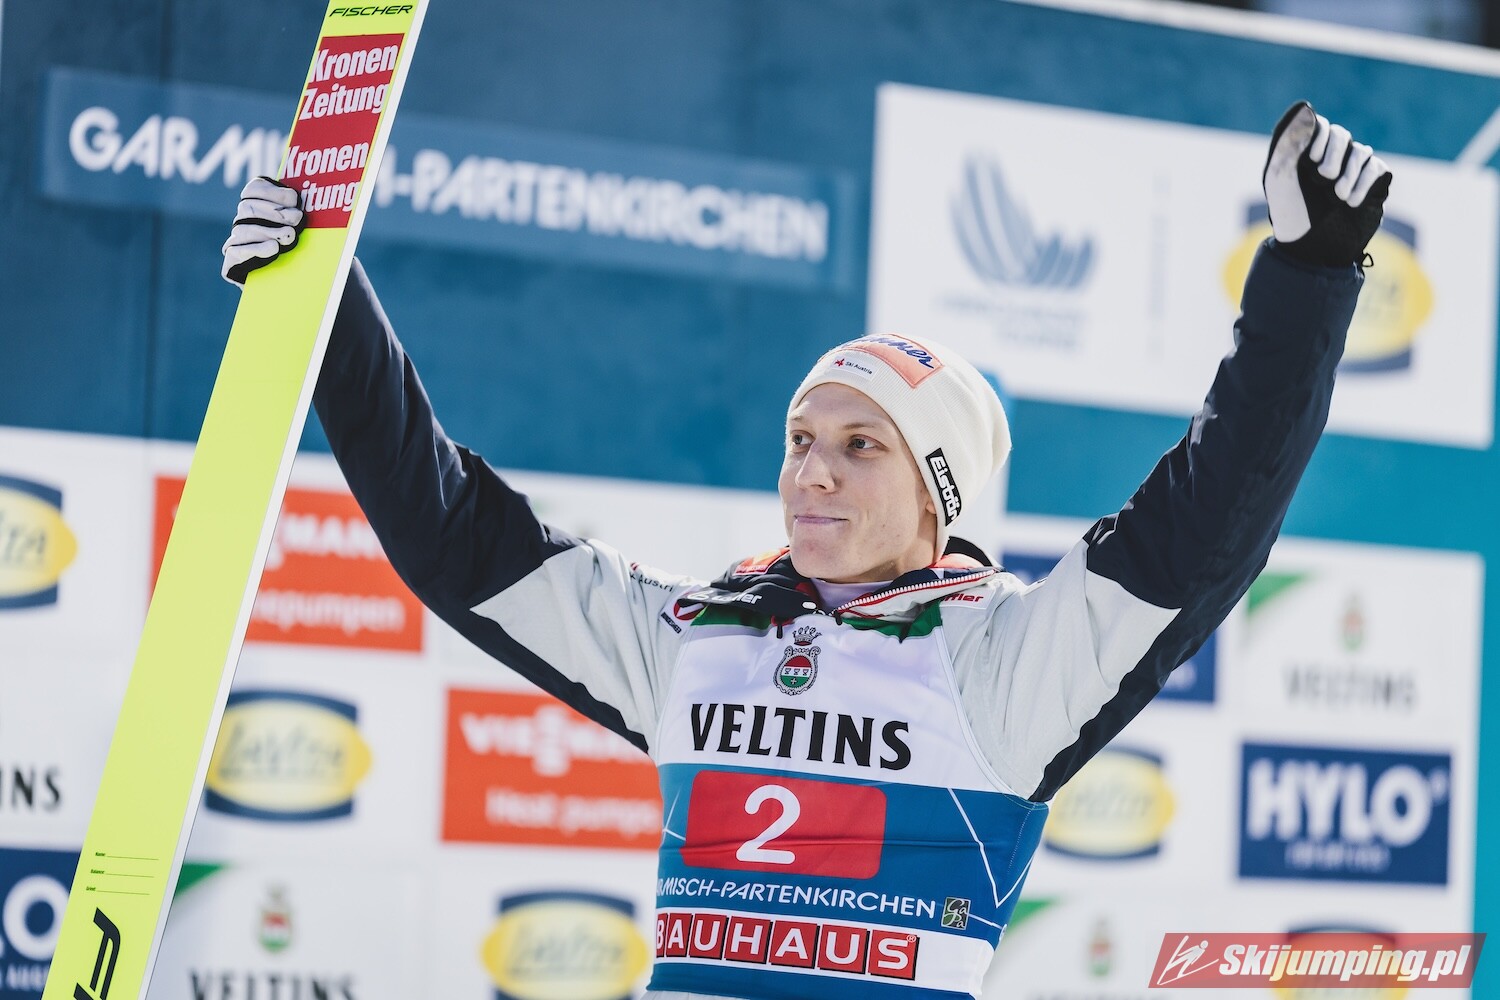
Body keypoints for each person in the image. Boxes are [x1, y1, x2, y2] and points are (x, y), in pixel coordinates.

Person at [223, 102, 1390, 999]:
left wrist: (1309, 276)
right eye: (800, 439)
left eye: (860, 445)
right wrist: (324, 298)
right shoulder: (691, 636)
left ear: (936, 493)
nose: (812, 471)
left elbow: (1207, 523)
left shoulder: (1000, 664)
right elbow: (454, 533)